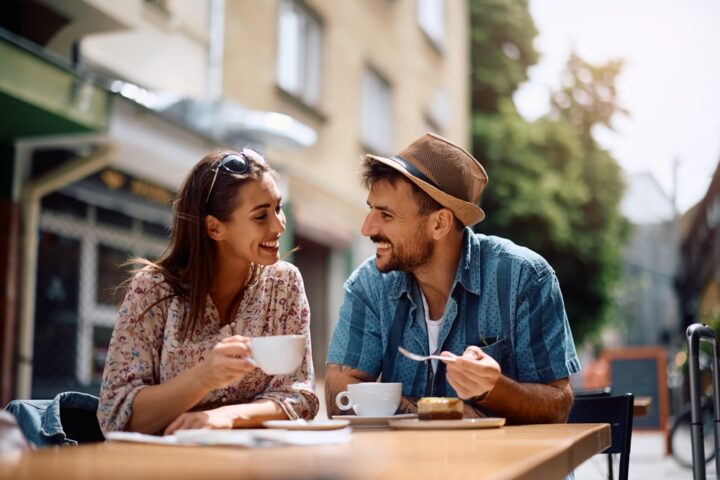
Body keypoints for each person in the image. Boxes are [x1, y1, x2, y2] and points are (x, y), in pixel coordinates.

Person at [325, 133, 580, 424]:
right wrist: (434, 413)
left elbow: (558, 403)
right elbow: (339, 391)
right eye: (371, 209)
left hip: (503, 467)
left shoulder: (524, 277)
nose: (367, 228)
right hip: (410, 468)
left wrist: (494, 389)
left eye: (385, 214)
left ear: (439, 223)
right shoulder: (369, 285)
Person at [98, 148, 318, 435]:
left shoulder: (285, 283)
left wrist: (228, 416)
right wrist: (203, 377)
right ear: (215, 228)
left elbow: (300, 398)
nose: (278, 225)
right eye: (261, 216)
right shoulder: (152, 289)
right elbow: (116, 416)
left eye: (278, 207)